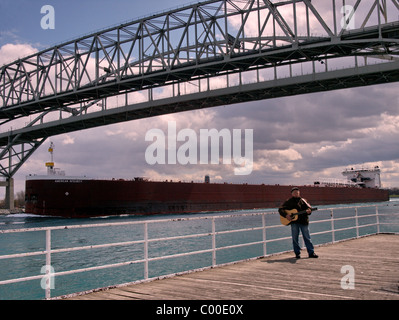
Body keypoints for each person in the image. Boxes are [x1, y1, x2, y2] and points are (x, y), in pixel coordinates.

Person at [278, 187, 318, 259]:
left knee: (307, 238)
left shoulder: (304, 200)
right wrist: (286, 215)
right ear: (292, 194)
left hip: (304, 222)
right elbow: (280, 209)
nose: (296, 193)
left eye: (297, 192)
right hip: (294, 222)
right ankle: (297, 253)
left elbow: (309, 209)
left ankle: (311, 253)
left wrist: (309, 211)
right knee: (295, 238)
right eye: (295, 192)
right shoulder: (289, 201)